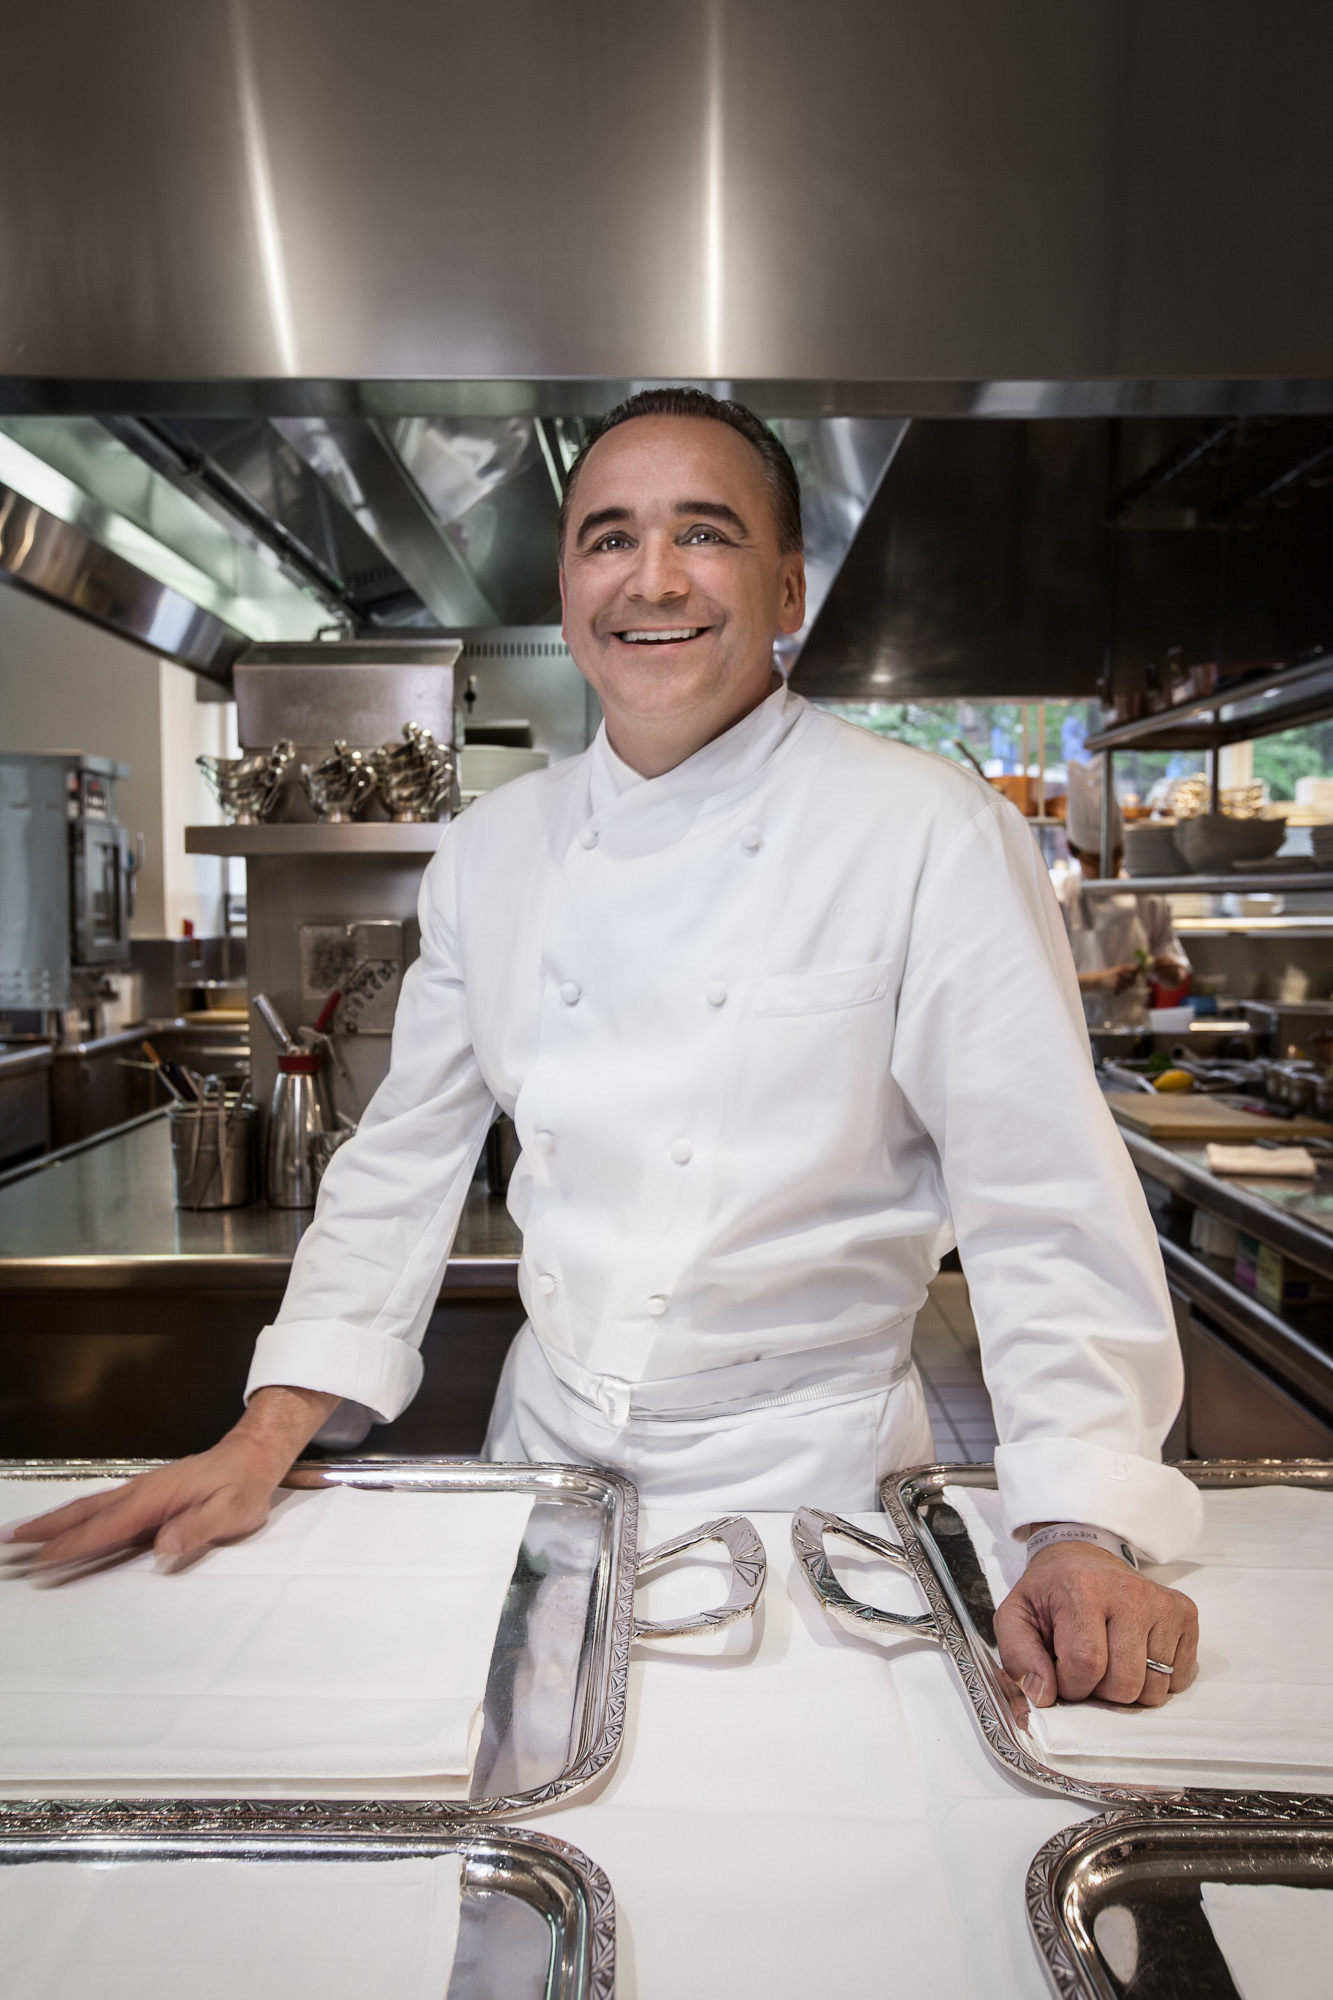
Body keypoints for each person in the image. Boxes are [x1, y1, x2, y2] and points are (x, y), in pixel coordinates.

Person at [13, 389, 1200, 1713]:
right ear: (569, 583)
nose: (651, 577)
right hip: (546, 1473)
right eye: (608, 537)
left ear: (789, 587)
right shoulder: (493, 850)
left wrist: (1080, 1524)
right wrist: (265, 1432)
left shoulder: (923, 831)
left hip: (815, 1494)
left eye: (705, 533)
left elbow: (1040, 1196)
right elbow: (401, 1163)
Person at [1057, 761, 1191, 1027]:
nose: (1108, 868)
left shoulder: (1148, 899)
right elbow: (1040, 981)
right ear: (1072, 850)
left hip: (1134, 1029)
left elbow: (1176, 969)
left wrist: (1170, 971)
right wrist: (1099, 980)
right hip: (1075, 1035)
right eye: (1095, 860)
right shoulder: (1058, 899)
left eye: (1116, 856)